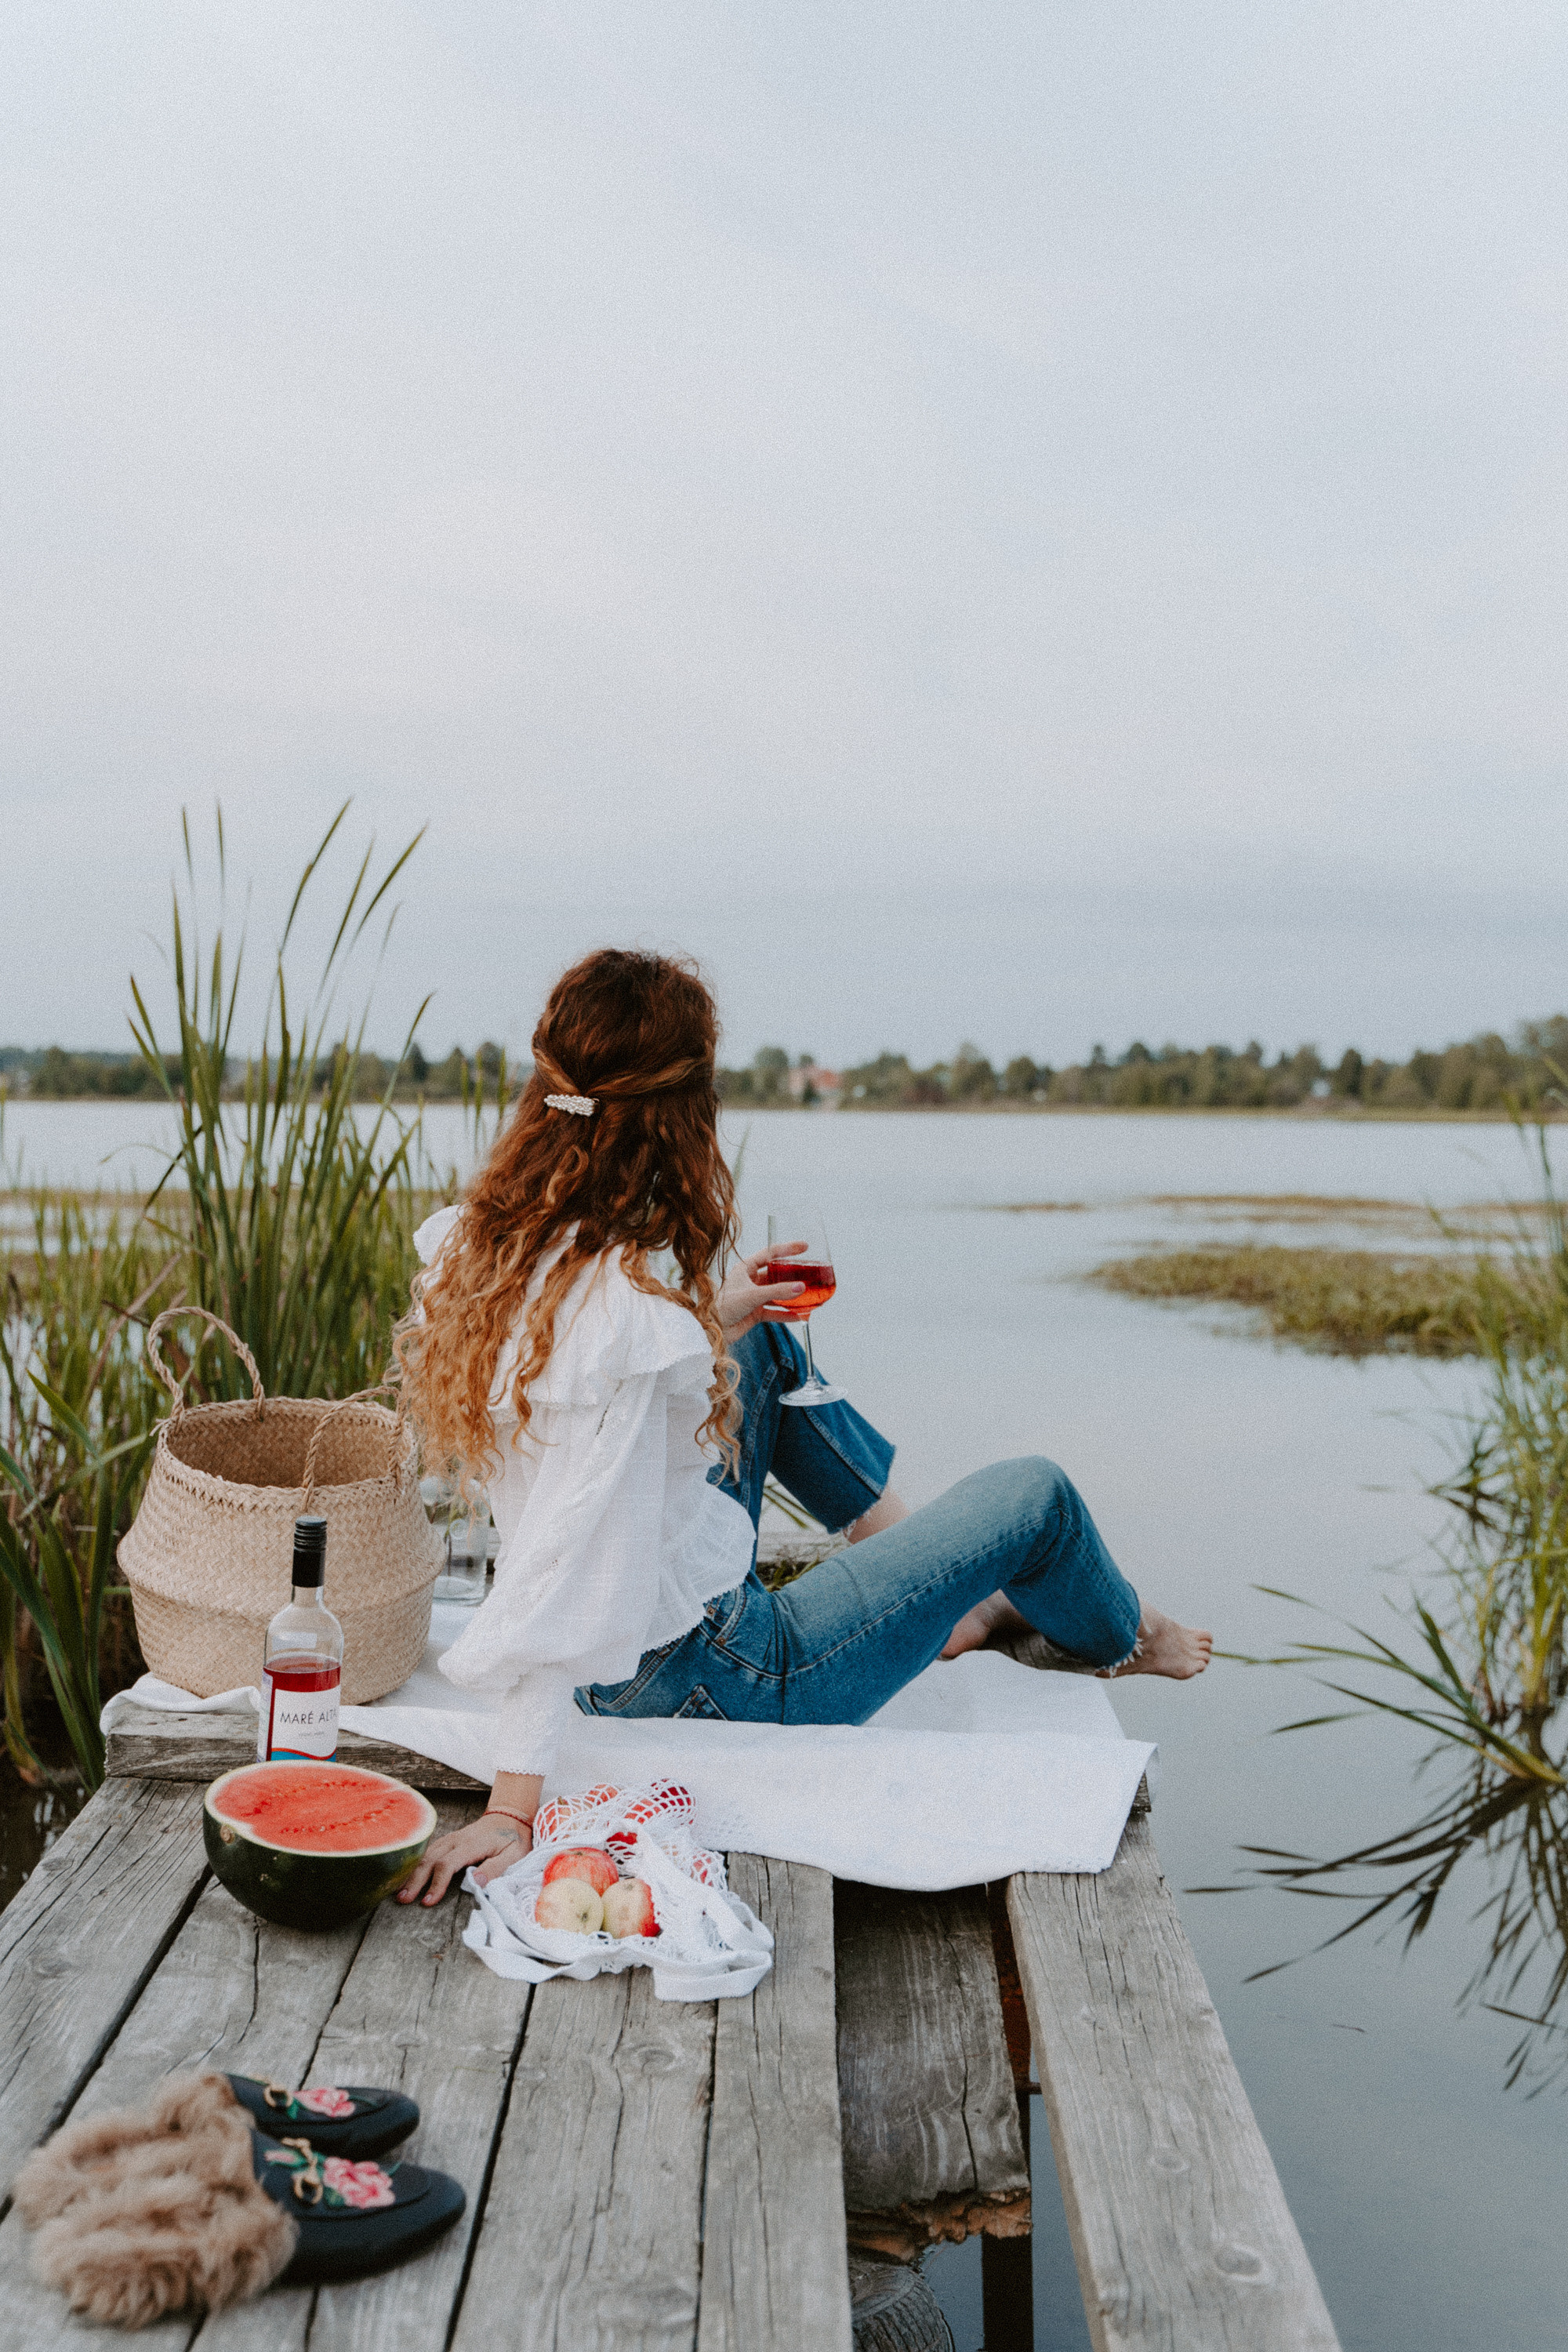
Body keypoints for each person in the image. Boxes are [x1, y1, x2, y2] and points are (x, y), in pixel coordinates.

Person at [395, 949, 1210, 1907]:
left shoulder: (488, 1247)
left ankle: (931, 1592)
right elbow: (559, 1563)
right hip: (725, 1672)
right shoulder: (618, 1321)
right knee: (1037, 1499)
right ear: (680, 1117)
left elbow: (594, 1405)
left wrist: (719, 1313)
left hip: (655, 1628)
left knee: (758, 1347)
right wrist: (513, 1806)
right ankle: (1128, 1630)